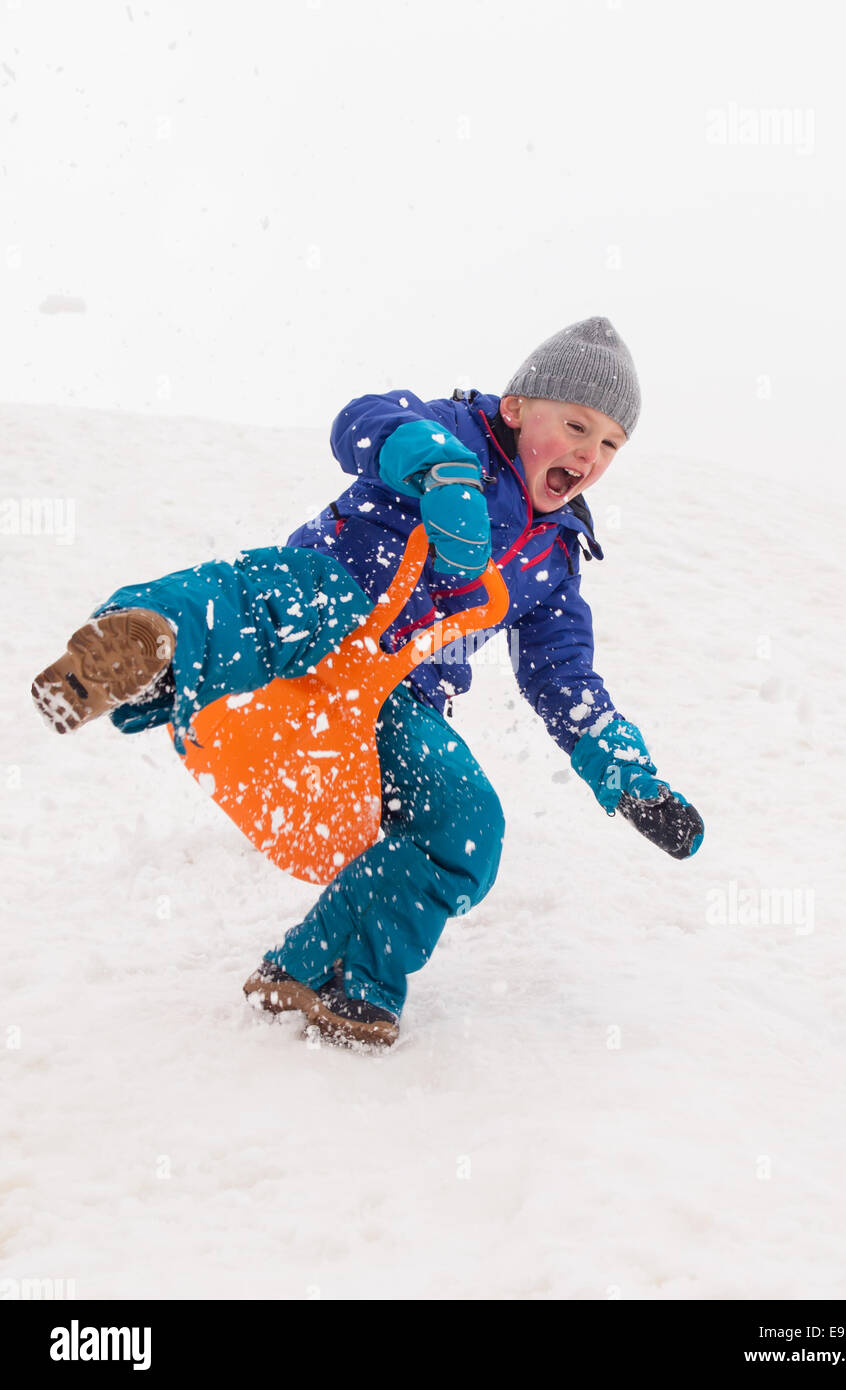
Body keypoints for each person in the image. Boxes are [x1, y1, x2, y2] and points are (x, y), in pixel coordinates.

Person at [31, 316, 704, 1050]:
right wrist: (434, 468)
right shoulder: (456, 431)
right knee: (268, 599)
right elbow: (361, 420)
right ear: (514, 409)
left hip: (396, 694)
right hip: (334, 603)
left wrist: (631, 779)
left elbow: (564, 679)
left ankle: (334, 976)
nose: (589, 452)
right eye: (575, 424)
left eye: (609, 443)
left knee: (465, 827)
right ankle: (138, 648)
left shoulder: (554, 561)